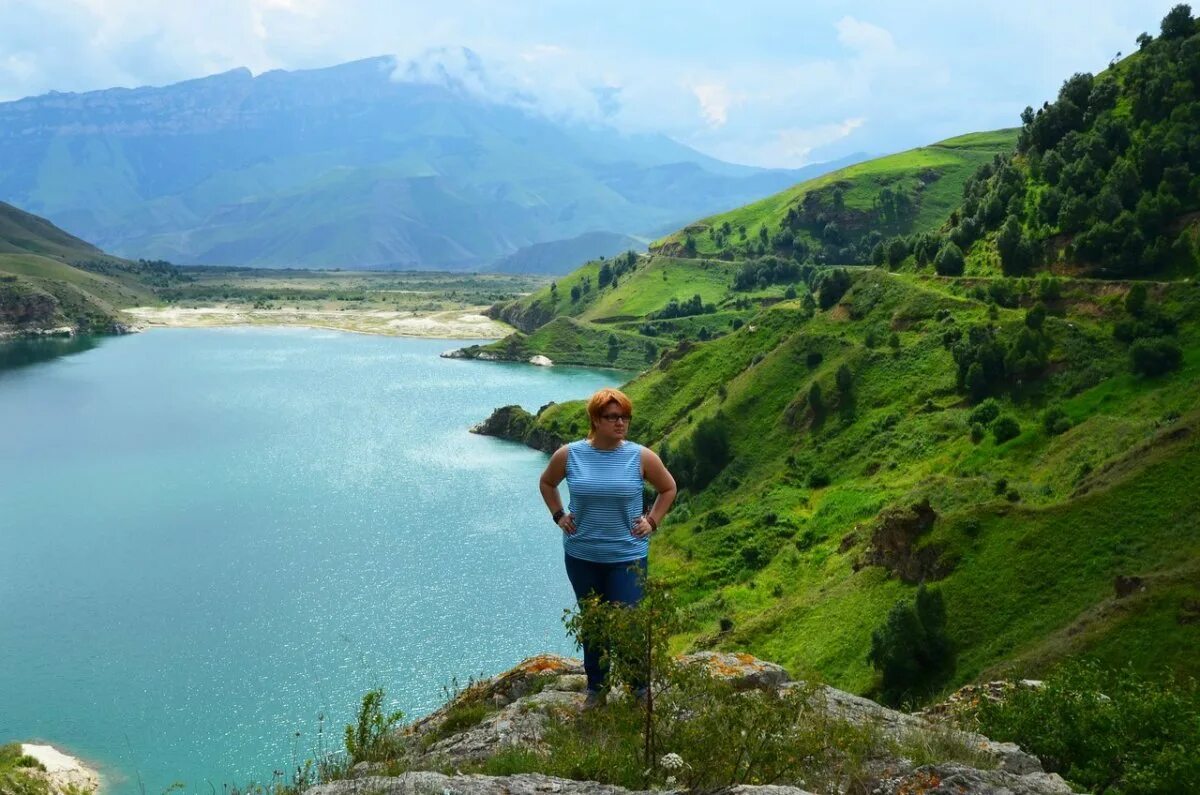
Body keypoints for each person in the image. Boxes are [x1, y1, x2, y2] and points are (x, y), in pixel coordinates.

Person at [538, 387, 677, 705]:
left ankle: (638, 690)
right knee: (594, 621)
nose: (621, 423)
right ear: (595, 419)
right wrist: (559, 515)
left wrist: (652, 521)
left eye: (625, 417)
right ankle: (596, 689)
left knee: (628, 622)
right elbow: (547, 483)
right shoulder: (569, 454)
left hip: (627, 555)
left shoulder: (640, 456)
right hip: (582, 554)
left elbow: (668, 488)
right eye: (613, 417)